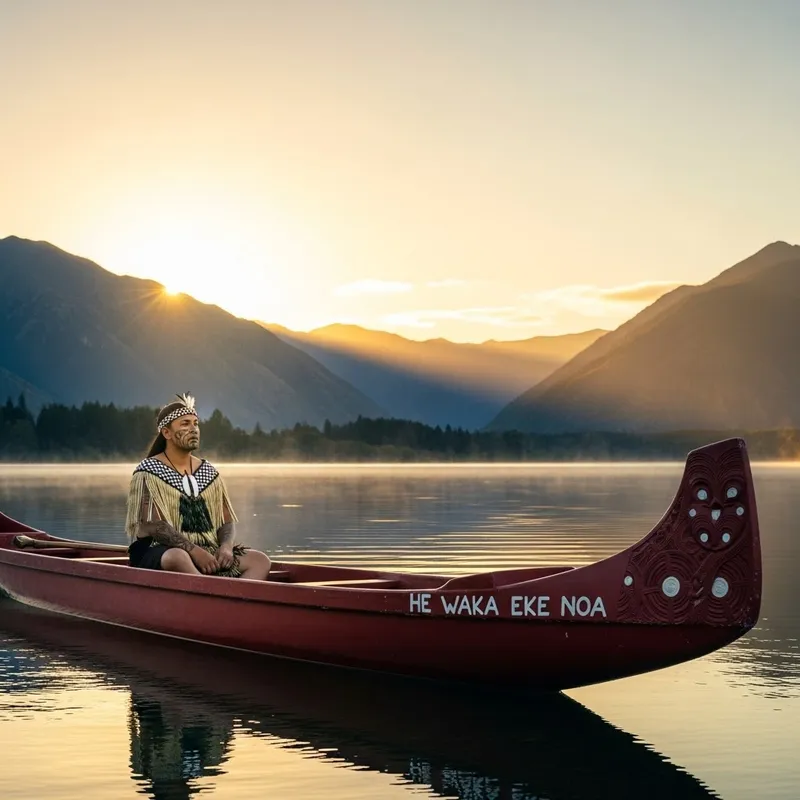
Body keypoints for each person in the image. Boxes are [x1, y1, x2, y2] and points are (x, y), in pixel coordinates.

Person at [124, 393, 271, 579]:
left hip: (206, 549)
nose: (193, 429)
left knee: (260, 561)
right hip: (159, 551)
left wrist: (225, 547)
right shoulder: (148, 471)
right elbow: (154, 526)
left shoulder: (209, 471)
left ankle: (236, 602)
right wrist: (195, 551)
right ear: (166, 433)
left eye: (196, 423)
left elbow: (225, 521)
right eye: (185, 424)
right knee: (178, 557)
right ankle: (212, 597)